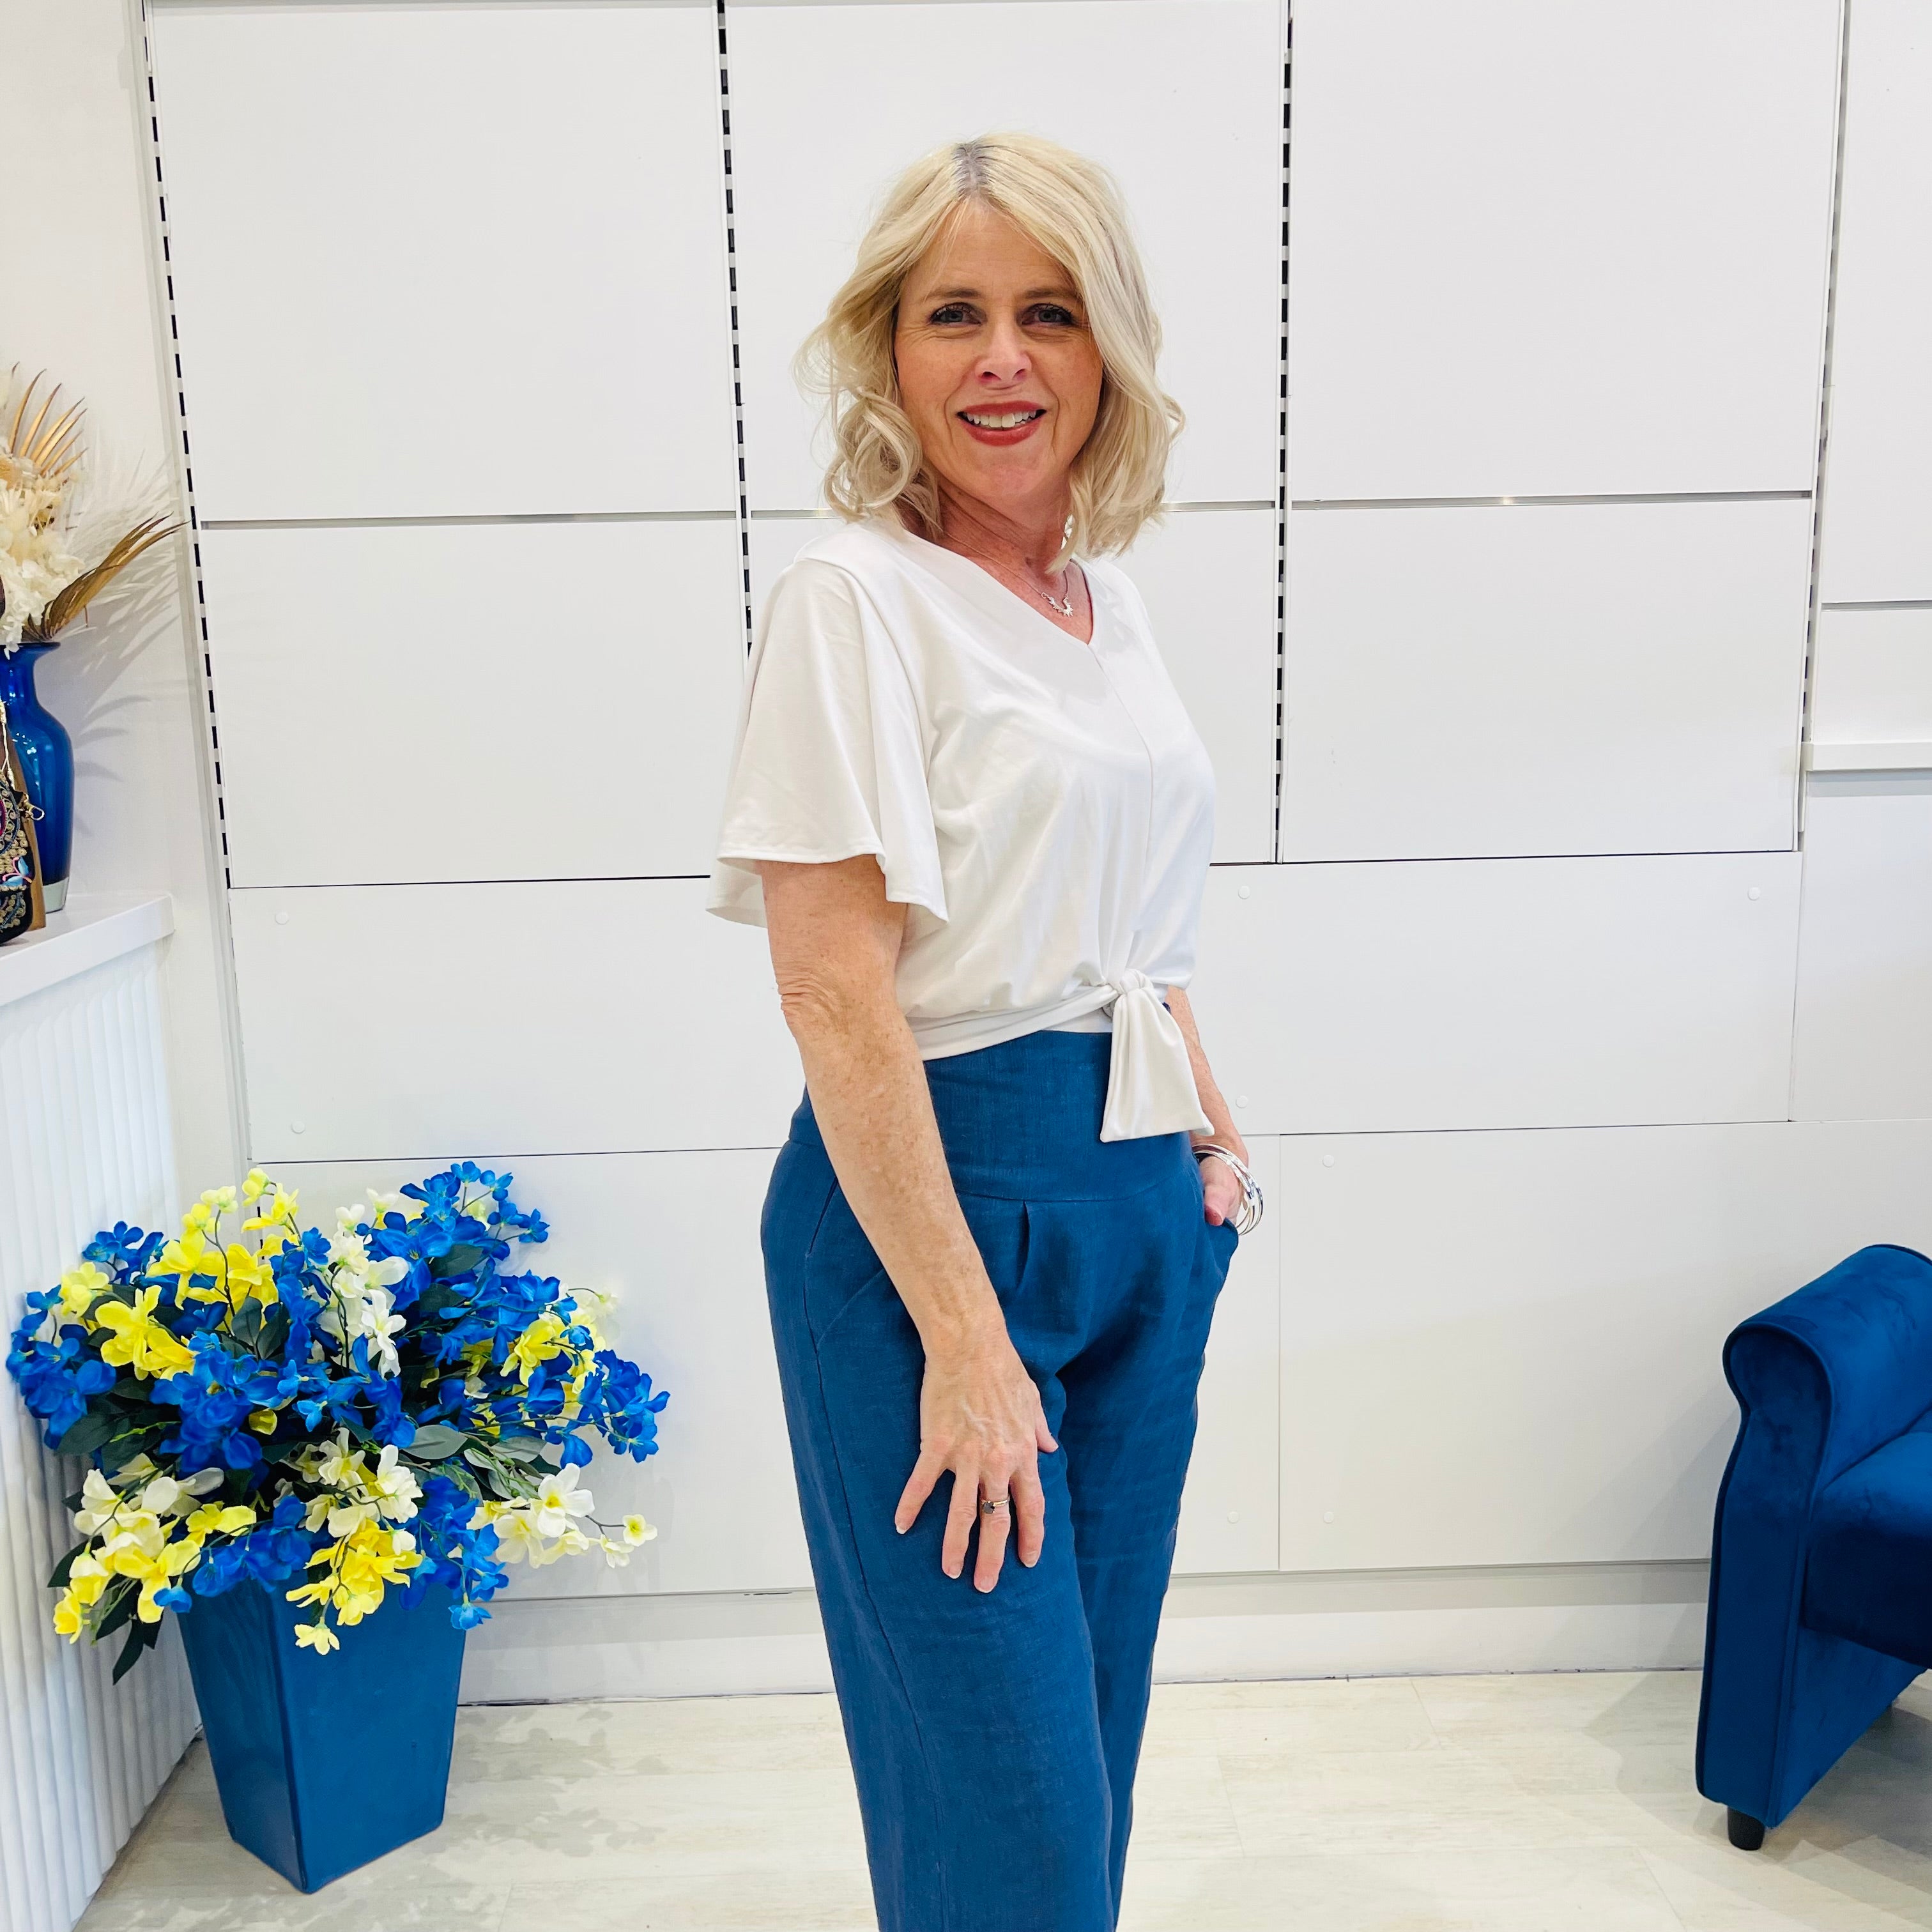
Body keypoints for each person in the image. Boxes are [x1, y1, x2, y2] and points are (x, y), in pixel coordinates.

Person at [705, 129, 1262, 1932]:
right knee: (1001, 1814)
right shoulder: (854, 598)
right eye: (954, 314)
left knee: (1088, 1760)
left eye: (1051, 313)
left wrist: (1214, 1156)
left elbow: (1137, 928)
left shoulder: (1111, 607)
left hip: (1139, 1213)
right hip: (939, 1239)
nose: (1002, 359)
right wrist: (962, 1337)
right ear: (889, 347)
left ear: (1112, 353)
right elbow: (830, 985)